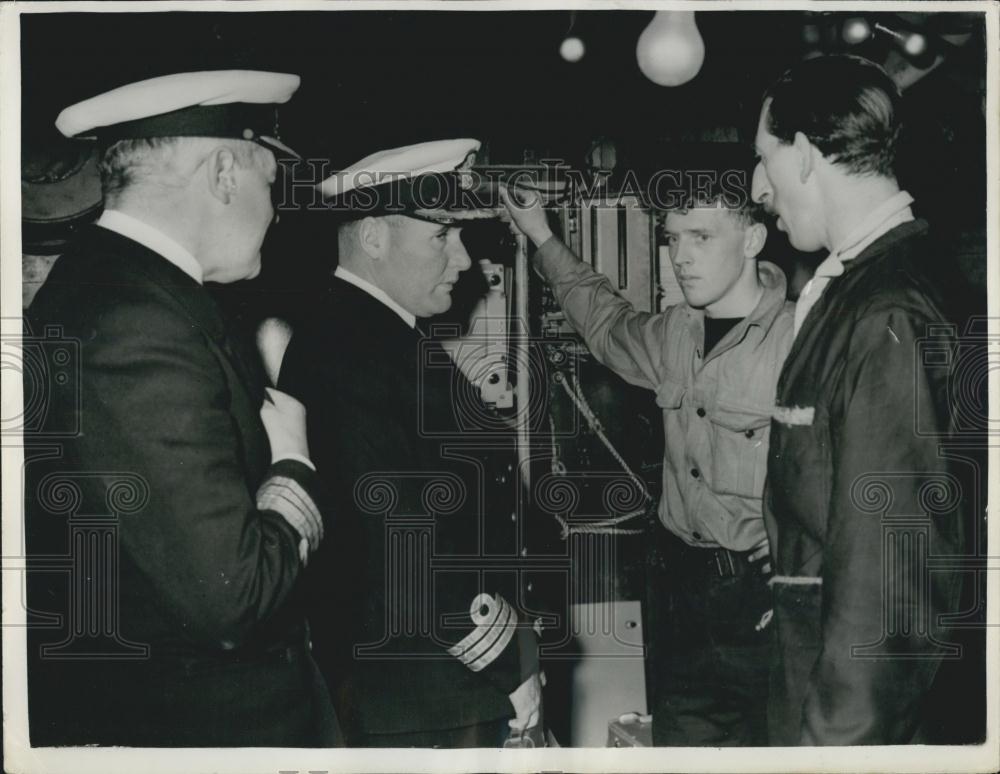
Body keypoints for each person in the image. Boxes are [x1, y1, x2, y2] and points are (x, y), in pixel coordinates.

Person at [25, 70, 333, 747]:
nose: (276, 212)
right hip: (197, 730)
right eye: (270, 185)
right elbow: (234, 596)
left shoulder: (126, 290)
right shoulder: (137, 321)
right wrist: (294, 463)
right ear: (224, 171)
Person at [502, 174, 793, 745]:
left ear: (754, 239)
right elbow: (604, 321)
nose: (680, 258)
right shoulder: (674, 334)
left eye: (701, 238)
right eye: (672, 238)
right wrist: (540, 233)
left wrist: (798, 562)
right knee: (679, 746)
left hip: (758, 602)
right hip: (676, 588)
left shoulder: (800, 342)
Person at [278, 139, 543, 748]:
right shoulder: (350, 351)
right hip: (422, 693)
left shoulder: (376, 338)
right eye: (442, 236)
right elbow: (401, 544)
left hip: (440, 682)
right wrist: (510, 662)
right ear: (373, 237)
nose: (463, 259)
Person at [750, 54, 970, 745]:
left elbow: (887, 583)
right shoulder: (871, 281)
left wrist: (836, 748)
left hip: (848, 728)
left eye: (768, 158)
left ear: (808, 155)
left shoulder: (885, 311)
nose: (762, 187)